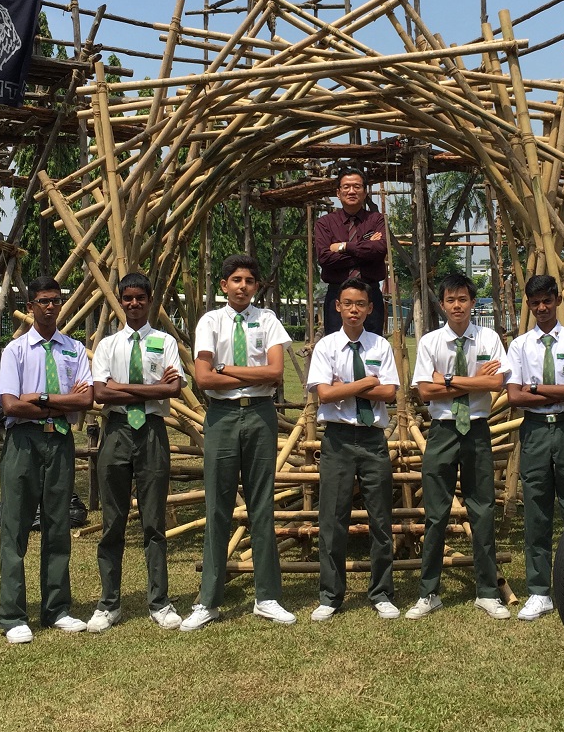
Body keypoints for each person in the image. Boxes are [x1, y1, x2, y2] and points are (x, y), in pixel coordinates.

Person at [181, 254, 296, 630]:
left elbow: (276, 373)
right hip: (222, 417)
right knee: (218, 504)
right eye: (236, 280)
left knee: (261, 504)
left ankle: (268, 597)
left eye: (249, 280)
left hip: (261, 415)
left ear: (257, 286)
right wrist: (250, 375)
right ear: (224, 286)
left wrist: (226, 369)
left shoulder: (269, 320)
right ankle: (208, 601)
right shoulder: (210, 321)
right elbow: (203, 379)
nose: (242, 286)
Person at [0, 276, 93, 644]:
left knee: (57, 525)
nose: (50, 307)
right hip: (23, 443)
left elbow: (86, 401)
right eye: (42, 301)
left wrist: (43, 397)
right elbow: (10, 404)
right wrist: (58, 403)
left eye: (55, 300)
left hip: (61, 443)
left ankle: (56, 608)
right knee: (15, 526)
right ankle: (13, 615)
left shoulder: (75, 349)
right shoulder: (16, 351)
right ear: (31, 305)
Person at [407, 272, 511, 620]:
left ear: (472, 302)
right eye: (450, 300)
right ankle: (429, 592)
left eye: (463, 299)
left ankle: (487, 592)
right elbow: (425, 391)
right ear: (442, 305)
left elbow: (495, 382)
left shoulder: (489, 337)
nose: (457, 305)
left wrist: (447, 379)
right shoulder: (430, 342)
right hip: (442, 431)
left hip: (478, 430)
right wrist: (472, 381)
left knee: (482, 509)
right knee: (436, 513)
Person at [87, 273, 186, 633]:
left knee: (153, 521)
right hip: (116, 432)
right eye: (127, 298)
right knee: (112, 521)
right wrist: (150, 388)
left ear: (149, 299)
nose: (133, 304)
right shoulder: (109, 344)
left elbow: (174, 388)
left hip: (152, 433)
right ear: (120, 301)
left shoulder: (165, 342)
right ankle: (107, 603)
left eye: (139, 298)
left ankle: (159, 602)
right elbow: (101, 393)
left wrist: (122, 387)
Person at [307, 277, 401, 621]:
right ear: (337, 306)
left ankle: (381, 593)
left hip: (374, 440)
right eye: (347, 303)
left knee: (381, 519)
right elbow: (324, 394)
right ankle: (331, 595)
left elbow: (390, 393)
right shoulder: (326, 347)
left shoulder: (381, 347)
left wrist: (345, 387)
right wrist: (365, 383)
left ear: (370, 308)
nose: (354, 310)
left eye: (360, 304)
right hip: (337, 439)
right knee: (332, 519)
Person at [505, 274, 564, 622]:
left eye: (547, 300)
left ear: (557, 300)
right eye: (535, 302)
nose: (542, 307)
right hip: (536, 432)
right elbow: (514, 396)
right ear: (528, 303)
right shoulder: (520, 346)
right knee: (536, 511)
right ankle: (539, 592)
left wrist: (537, 389)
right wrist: (557, 390)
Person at [315, 167, 387, 334]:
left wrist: (344, 247)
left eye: (357, 186)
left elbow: (380, 249)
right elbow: (325, 258)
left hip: (370, 294)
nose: (351, 191)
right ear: (338, 193)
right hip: (337, 295)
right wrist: (365, 250)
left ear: (365, 191)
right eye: (346, 187)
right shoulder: (325, 223)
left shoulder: (377, 219)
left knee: (373, 348)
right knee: (335, 348)